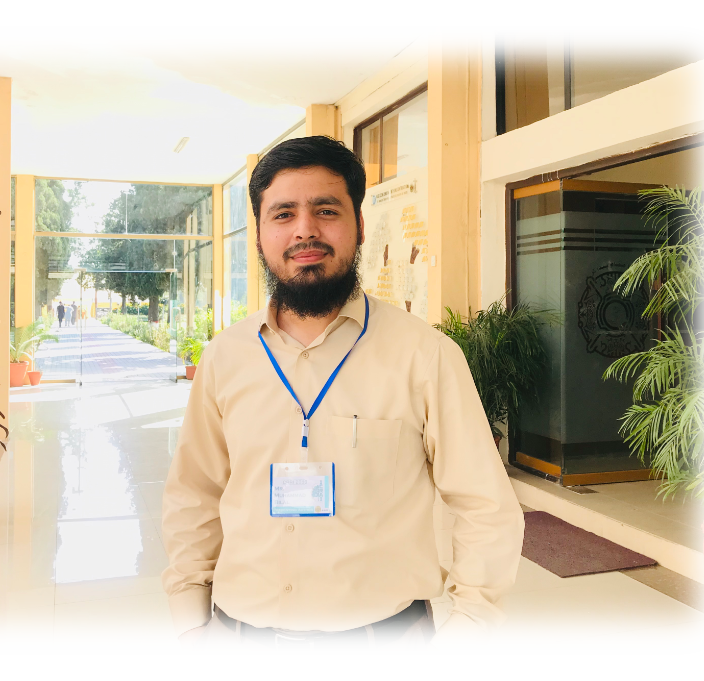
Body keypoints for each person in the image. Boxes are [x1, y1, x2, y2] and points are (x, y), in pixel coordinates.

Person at [161, 136, 524, 656]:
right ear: (260, 234)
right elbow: (193, 494)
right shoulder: (226, 357)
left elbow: (485, 505)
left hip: (385, 642)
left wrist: (462, 637)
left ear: (359, 226)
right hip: (236, 640)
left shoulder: (424, 355)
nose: (305, 229)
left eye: (326, 210)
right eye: (283, 213)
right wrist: (190, 623)